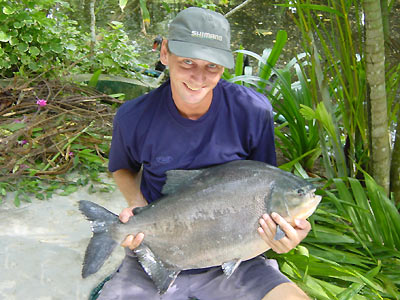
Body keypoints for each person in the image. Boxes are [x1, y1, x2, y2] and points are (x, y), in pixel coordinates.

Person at [100, 7, 311, 300]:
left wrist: (285, 236)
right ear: (165, 53)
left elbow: (264, 184)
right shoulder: (133, 117)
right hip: (159, 247)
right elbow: (122, 167)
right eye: (187, 61)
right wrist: (139, 208)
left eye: (212, 65)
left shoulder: (252, 111)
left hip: (235, 257)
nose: (199, 77)